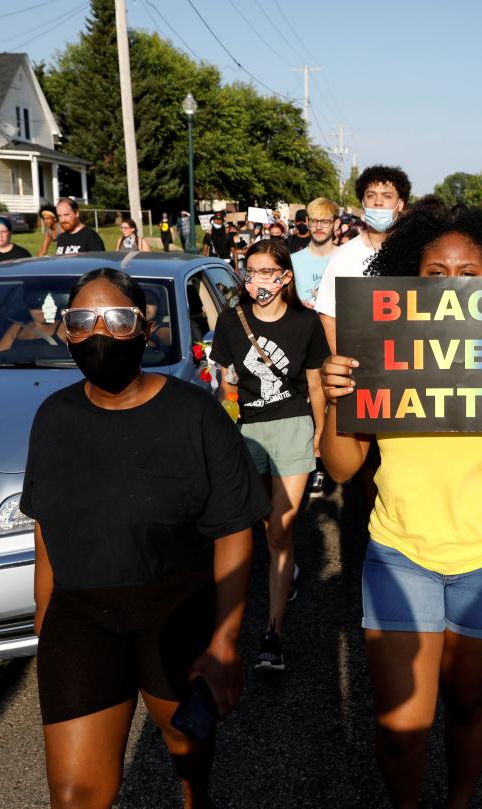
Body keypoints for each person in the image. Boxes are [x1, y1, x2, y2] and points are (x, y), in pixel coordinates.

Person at [318, 207, 482, 808]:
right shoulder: (378, 354)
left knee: (469, 705)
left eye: (469, 270)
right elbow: (340, 468)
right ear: (408, 281)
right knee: (399, 728)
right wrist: (335, 397)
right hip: (399, 556)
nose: (452, 283)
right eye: (434, 270)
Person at [21, 267, 269, 808]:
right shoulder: (53, 417)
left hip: (174, 610)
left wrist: (224, 643)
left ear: (145, 327)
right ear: (65, 330)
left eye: (118, 319)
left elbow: (233, 530)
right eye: (83, 321)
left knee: (186, 749)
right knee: (74, 794)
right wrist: (45, 617)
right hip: (81, 618)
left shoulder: (195, 415)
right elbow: (46, 523)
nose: (100, 334)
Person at [209, 240, 328, 673]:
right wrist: (227, 403)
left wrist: (319, 435)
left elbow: (315, 386)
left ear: (285, 278)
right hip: (248, 433)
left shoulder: (306, 323)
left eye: (265, 272)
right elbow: (225, 387)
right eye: (251, 271)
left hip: (294, 426)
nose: (257, 280)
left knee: (279, 529)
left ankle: (272, 635)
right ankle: (287, 570)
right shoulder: (229, 323)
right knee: (265, 521)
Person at [315, 165, 411, 351]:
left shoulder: (414, 252)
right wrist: (340, 360)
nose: (378, 202)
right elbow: (328, 314)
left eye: (387, 196)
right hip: (361, 362)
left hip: (406, 361)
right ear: (363, 203)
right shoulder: (343, 256)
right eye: (371, 195)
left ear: (400, 204)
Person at [291, 198, 340, 309]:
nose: (318, 227)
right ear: (307, 222)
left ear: (336, 224)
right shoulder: (292, 261)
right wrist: (297, 305)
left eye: (325, 222)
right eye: (314, 221)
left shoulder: (347, 258)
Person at [0, 286, 66, 353]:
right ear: (27, 305)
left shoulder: (64, 326)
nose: (42, 309)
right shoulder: (17, 328)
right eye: (36, 303)